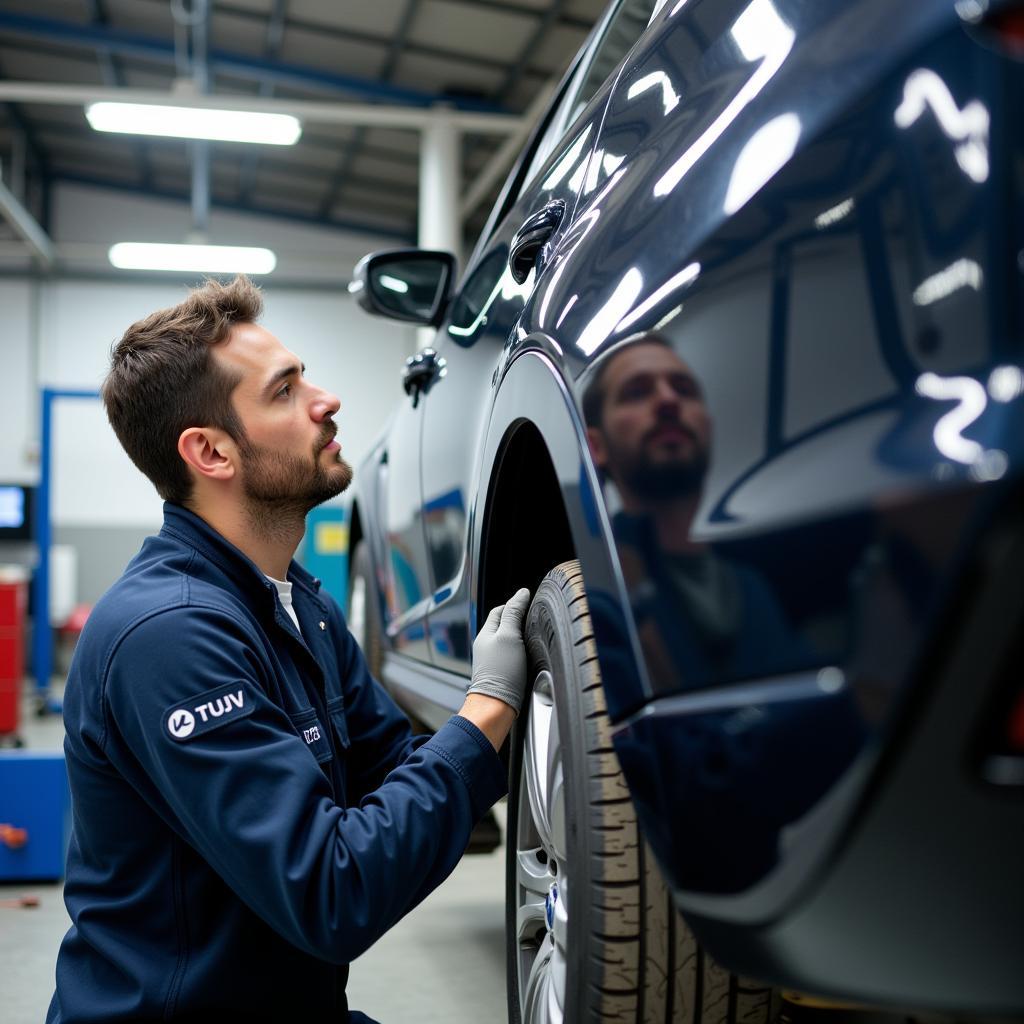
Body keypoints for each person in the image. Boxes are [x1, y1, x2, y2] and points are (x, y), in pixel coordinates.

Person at [47, 276, 530, 1024]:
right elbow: (332, 890)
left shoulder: (300, 604)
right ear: (210, 451)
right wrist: (484, 714)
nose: (325, 400)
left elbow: (396, 768)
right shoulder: (169, 636)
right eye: (284, 392)